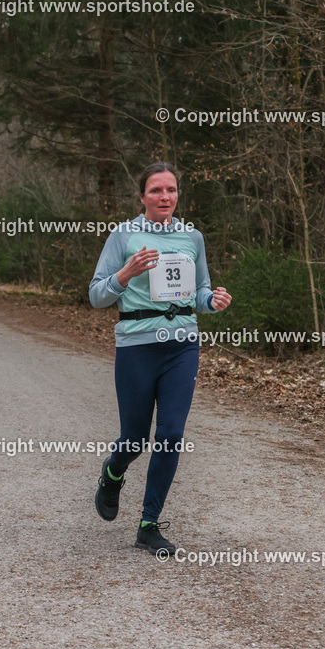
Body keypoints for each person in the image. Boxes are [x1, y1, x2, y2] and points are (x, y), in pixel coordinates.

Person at [89, 162, 232, 555]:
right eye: (156, 190)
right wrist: (125, 273)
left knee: (170, 436)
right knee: (134, 439)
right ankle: (114, 472)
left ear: (178, 195)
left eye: (171, 190)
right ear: (142, 196)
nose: (164, 197)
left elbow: (200, 293)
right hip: (137, 346)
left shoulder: (192, 237)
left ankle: (148, 524)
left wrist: (213, 302)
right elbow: (97, 295)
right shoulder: (123, 236)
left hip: (183, 345)